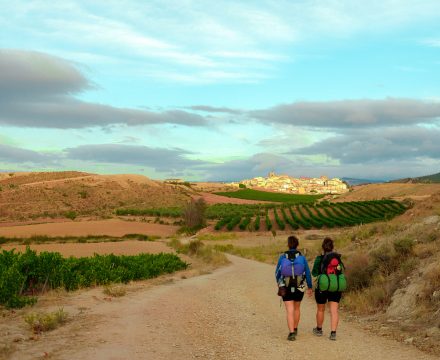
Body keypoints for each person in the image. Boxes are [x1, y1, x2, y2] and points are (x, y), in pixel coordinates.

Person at [275, 235, 313, 341]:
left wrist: (279, 284)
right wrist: (309, 287)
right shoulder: (302, 258)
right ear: (297, 245)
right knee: (297, 308)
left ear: (288, 245)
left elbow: (277, 273)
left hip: (286, 287)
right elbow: (308, 273)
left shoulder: (282, 257)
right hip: (299, 287)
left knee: (289, 310)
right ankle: (295, 329)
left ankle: (291, 333)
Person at [312, 237, 342, 341]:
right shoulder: (337, 258)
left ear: (323, 247)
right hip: (335, 286)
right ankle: (333, 333)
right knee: (334, 310)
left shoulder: (319, 258)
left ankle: (319, 330)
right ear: (332, 247)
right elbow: (340, 271)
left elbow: (314, 273)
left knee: (321, 309)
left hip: (323, 286)